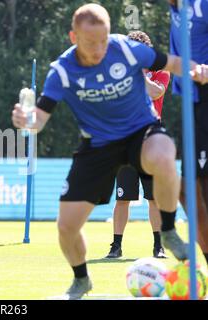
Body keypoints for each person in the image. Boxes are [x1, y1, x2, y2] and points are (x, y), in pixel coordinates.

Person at [11, 3, 208, 299]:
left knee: (165, 152)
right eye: (91, 42)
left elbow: (172, 62)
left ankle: (167, 231)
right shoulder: (62, 70)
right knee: (66, 226)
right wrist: (25, 121)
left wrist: (197, 70)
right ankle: (81, 280)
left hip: (140, 133)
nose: (99, 48)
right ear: (73, 37)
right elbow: (38, 120)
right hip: (97, 145)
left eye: (104, 39)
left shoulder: (126, 50)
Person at [105, 31, 170, 260]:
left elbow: (156, 92)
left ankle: (158, 246)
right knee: (122, 198)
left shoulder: (161, 72)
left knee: (154, 198)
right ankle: (116, 246)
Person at [168, 0, 208, 265]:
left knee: (200, 189)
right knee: (186, 191)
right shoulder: (175, 7)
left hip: (205, 97)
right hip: (190, 101)